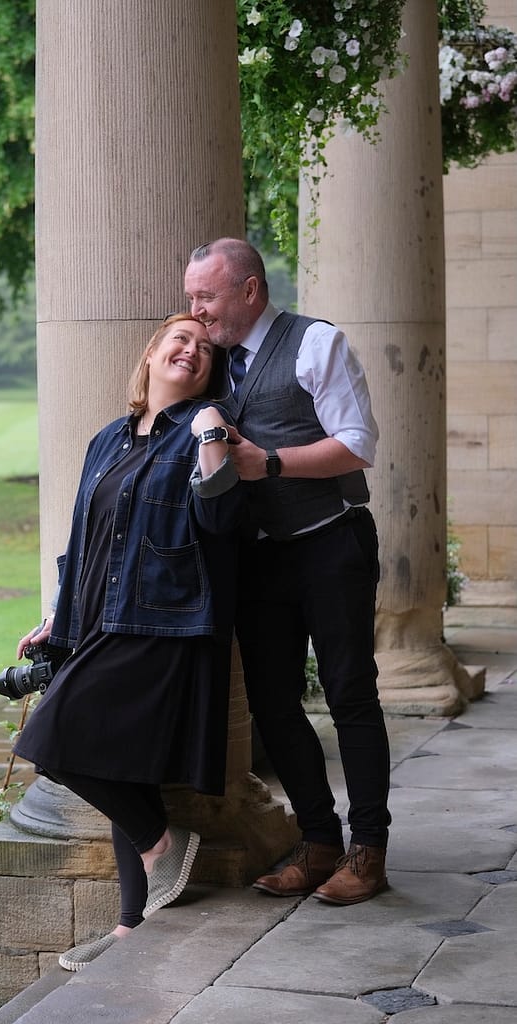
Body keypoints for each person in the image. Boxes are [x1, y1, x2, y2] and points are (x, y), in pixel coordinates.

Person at [11, 314, 244, 970]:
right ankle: (128, 924)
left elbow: (221, 516)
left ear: (212, 373)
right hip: (98, 618)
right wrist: (60, 613)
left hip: (163, 621)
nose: (190, 350)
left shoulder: (203, 431)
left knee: (49, 739)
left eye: (203, 348)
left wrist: (212, 434)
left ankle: (159, 842)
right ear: (150, 354)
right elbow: (86, 535)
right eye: (179, 338)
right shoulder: (108, 439)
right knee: (121, 766)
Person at [183, 238, 391, 906]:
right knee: (272, 705)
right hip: (259, 556)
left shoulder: (314, 343)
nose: (195, 311)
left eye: (205, 296)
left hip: (330, 545)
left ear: (248, 290)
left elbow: (357, 445)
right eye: (191, 296)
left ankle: (368, 851)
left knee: (349, 694)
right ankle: (318, 840)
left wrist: (268, 462)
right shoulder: (207, 362)